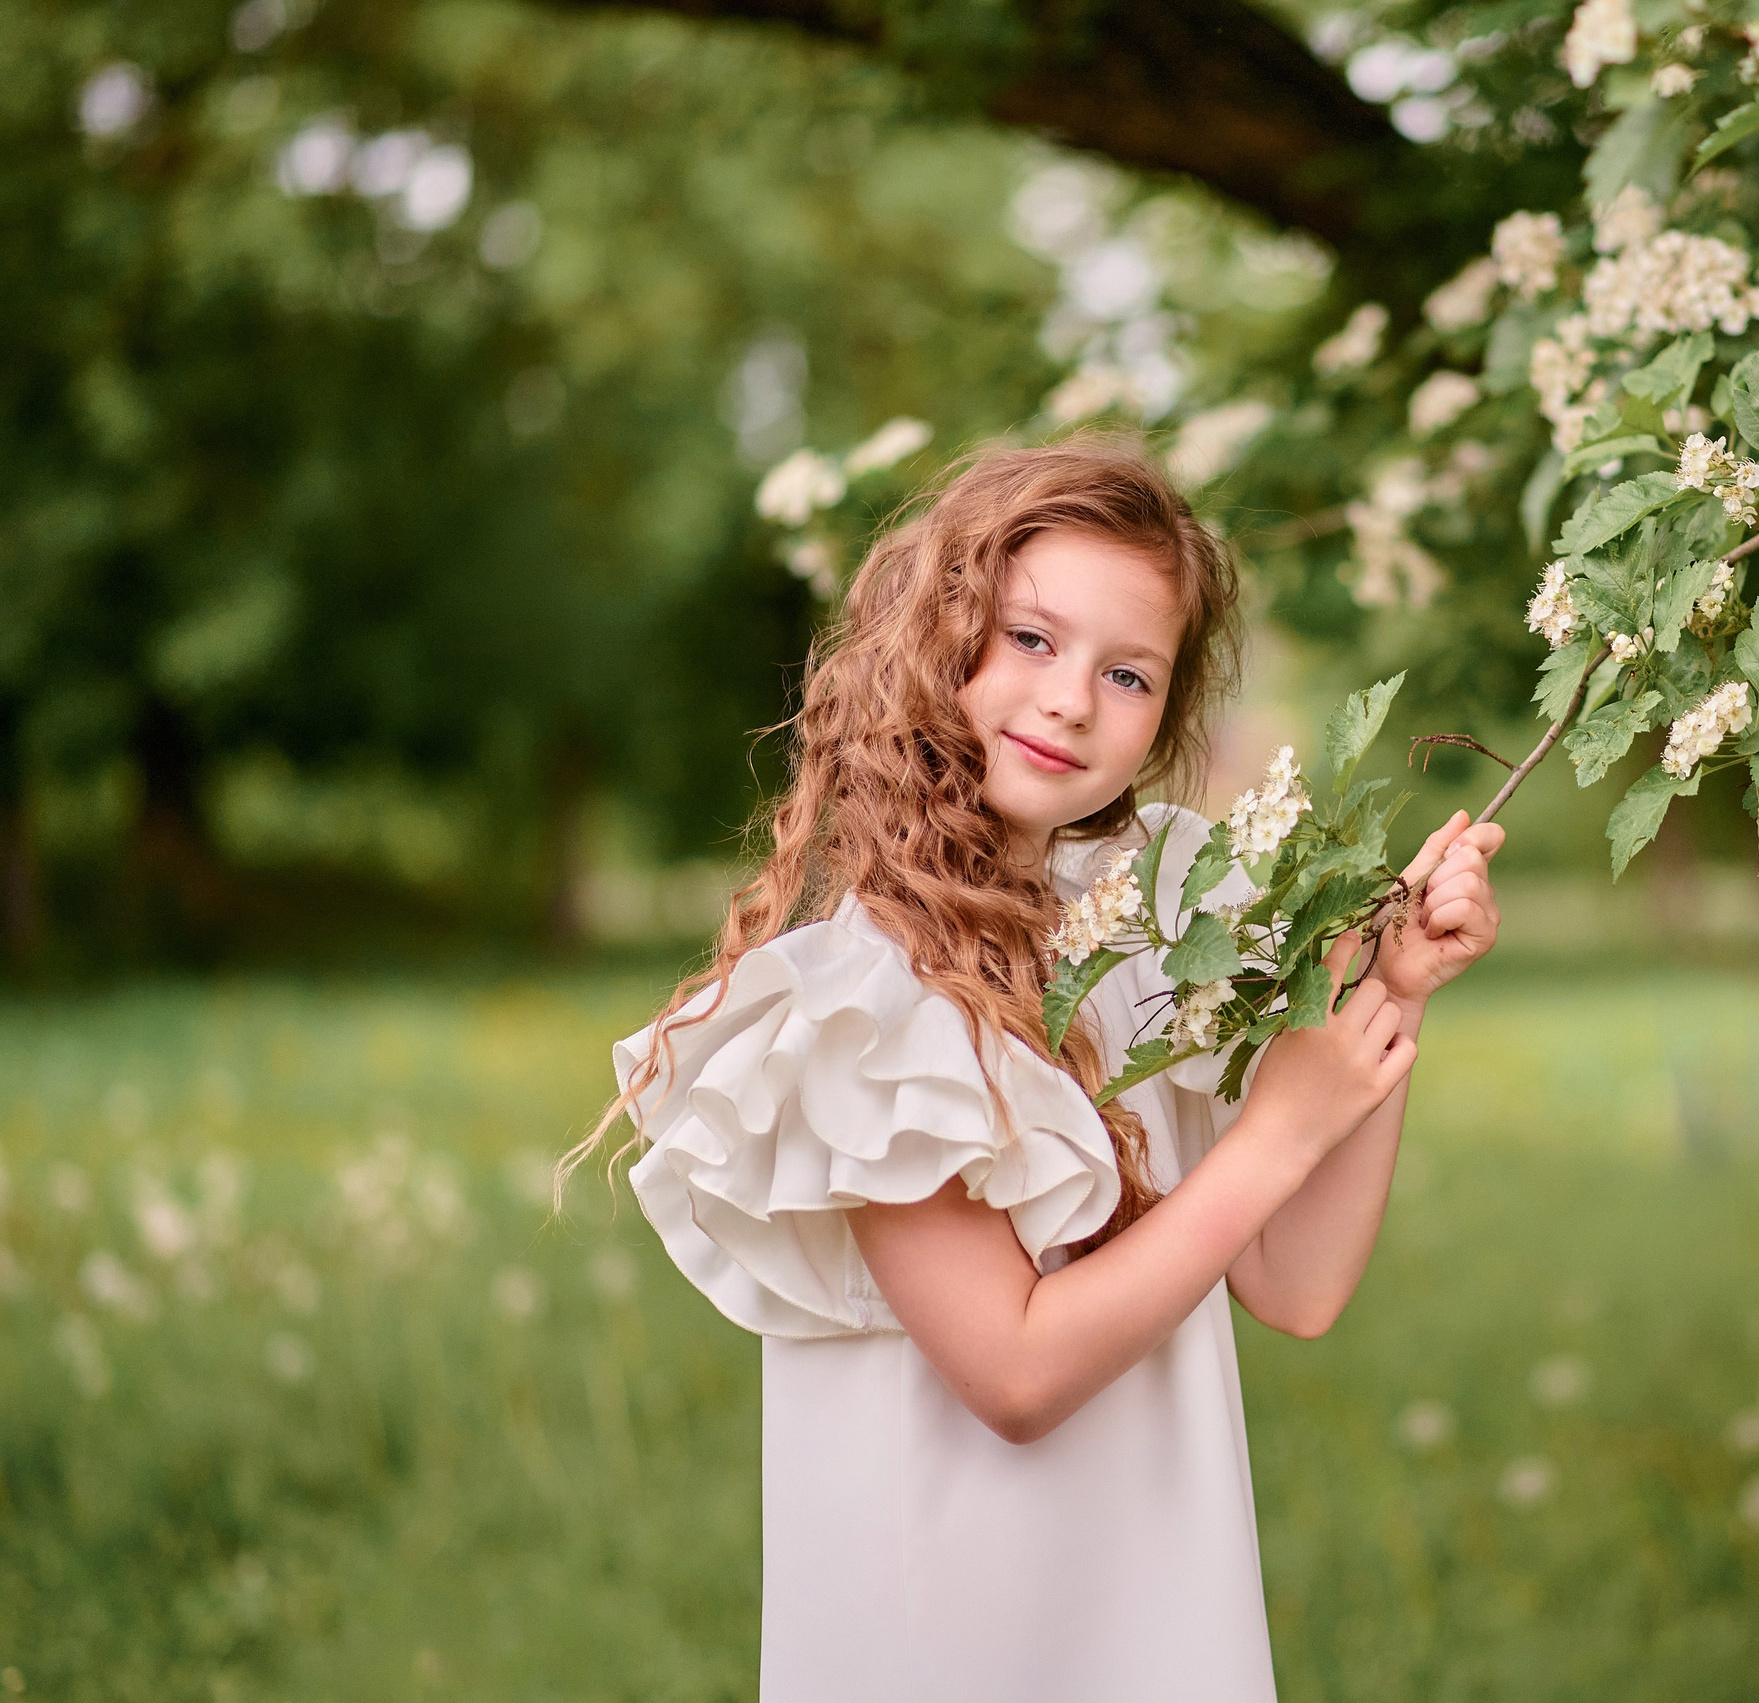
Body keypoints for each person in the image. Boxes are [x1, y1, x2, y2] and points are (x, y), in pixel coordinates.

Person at [565, 436, 1505, 1701]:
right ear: (935, 635)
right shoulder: (868, 1006)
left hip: (1150, 1607)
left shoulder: (1148, 924)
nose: (1071, 699)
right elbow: (1012, 1372)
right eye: (1029, 639)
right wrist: (1275, 1134)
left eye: (1127, 672)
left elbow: (1298, 1282)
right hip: (954, 1638)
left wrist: (1387, 993)